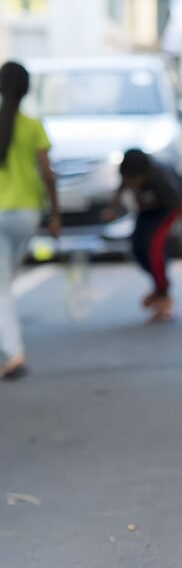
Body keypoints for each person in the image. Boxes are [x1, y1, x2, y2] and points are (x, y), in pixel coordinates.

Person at [0, 61, 59, 380]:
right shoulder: (33, 126)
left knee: (2, 287)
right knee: (4, 283)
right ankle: (9, 348)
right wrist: (56, 213)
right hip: (26, 214)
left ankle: (13, 352)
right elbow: (48, 174)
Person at [104, 148, 182, 321]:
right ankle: (159, 284)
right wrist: (113, 208)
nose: (132, 184)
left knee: (154, 247)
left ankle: (163, 293)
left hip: (168, 210)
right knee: (137, 247)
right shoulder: (129, 175)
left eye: (134, 180)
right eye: (128, 179)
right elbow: (121, 187)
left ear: (145, 174)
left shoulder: (161, 180)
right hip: (147, 211)